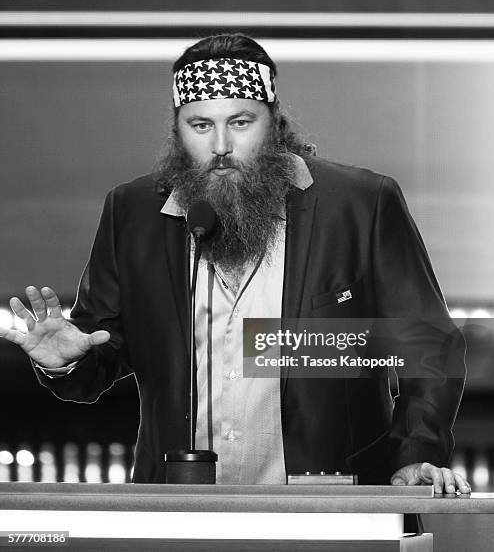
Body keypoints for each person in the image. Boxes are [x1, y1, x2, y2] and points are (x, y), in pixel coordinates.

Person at [0, 33, 469, 493]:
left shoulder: (361, 204)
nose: (221, 144)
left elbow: (427, 346)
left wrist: (419, 454)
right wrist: (67, 363)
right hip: (179, 508)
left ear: (275, 122)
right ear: (178, 131)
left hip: (330, 501)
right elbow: (100, 356)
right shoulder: (132, 212)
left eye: (241, 122)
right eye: (201, 125)